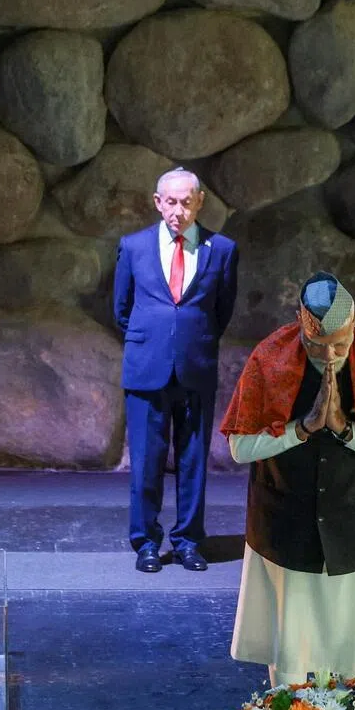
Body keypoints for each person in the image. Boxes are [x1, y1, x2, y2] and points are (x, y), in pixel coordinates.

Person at [220, 272, 355, 687]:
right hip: (285, 522)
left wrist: (347, 430)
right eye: (316, 345)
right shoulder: (269, 359)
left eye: (340, 345)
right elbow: (240, 447)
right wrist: (302, 429)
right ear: (299, 321)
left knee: (352, 650)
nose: (329, 355)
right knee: (289, 647)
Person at [113, 167, 238, 574]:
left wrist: (190, 340)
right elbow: (121, 309)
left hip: (195, 367)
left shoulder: (222, 250)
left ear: (200, 202)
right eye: (170, 202)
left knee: (193, 460)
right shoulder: (133, 247)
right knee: (146, 462)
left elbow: (222, 311)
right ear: (157, 202)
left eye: (186, 202)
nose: (178, 211)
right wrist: (156, 340)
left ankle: (188, 541)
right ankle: (146, 543)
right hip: (147, 368)